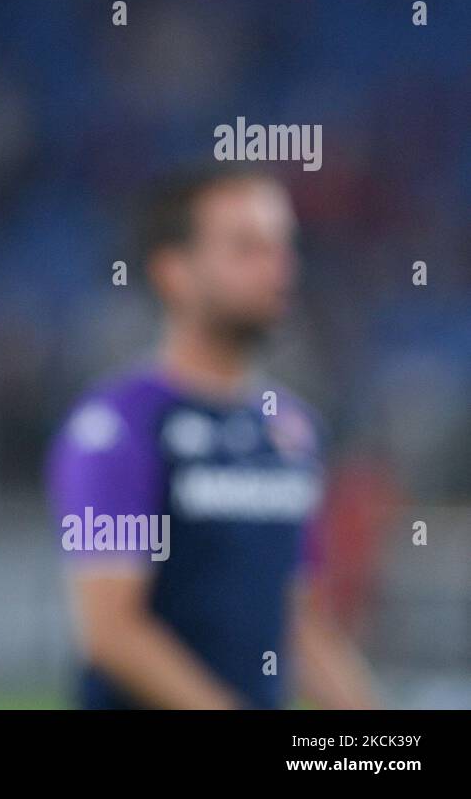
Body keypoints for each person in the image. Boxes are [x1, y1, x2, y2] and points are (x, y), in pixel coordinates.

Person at [46, 168, 375, 709]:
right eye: (247, 248)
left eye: (282, 245)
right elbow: (111, 631)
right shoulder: (115, 428)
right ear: (173, 272)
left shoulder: (292, 430)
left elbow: (299, 620)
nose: (279, 267)